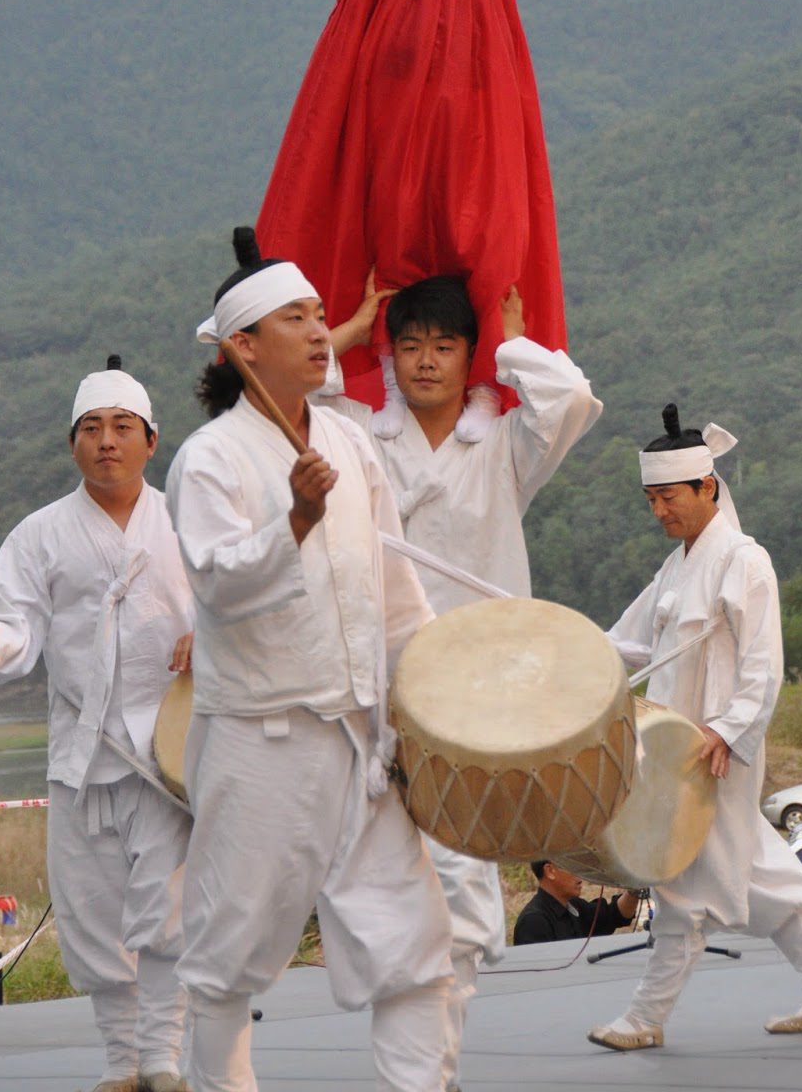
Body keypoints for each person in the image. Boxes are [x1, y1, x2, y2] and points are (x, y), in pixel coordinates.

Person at [165, 228, 454, 1092]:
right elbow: (216, 587)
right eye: (297, 317)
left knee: (411, 941)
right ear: (242, 348)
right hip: (265, 739)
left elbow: (393, 585)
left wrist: (424, 699)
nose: (323, 331)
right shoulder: (208, 458)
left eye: (322, 314)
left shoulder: (351, 443)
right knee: (230, 950)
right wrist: (289, 521)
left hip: (363, 736)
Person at [323, 271, 603, 1090]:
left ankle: (432, 1069)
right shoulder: (361, 440)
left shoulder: (503, 447)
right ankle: (423, 1066)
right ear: (390, 356)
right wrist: (348, 329)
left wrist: (517, 343)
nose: (425, 363)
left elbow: (572, 402)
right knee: (381, 886)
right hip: (385, 690)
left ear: (469, 357)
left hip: (483, 694)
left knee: (466, 890)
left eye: (444, 346)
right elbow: (290, 402)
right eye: (407, 346)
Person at [257, 0, 566, 441]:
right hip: (376, 72)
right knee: (382, 206)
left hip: (468, 66)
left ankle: (486, 380)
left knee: (473, 210)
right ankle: (385, 381)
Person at [587, 405, 802, 1052]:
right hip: (677, 749)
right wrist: (570, 650)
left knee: (679, 878)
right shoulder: (675, 568)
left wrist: (730, 731)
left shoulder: (746, 560)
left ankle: (645, 1017)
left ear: (707, 485)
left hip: (714, 754)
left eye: (669, 497)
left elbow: (765, 667)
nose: (660, 511)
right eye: (650, 499)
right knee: (757, 870)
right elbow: (626, 642)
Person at [0, 357, 194, 1092]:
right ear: (72, 445)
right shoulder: (40, 534)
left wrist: (211, 639)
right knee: (93, 915)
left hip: (168, 750)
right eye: (91, 429)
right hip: (83, 753)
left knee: (169, 910)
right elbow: (14, 620)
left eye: (123, 428)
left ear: (153, 441)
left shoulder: (189, 518)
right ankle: (121, 1061)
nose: (107, 442)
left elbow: (241, 594)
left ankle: (164, 1058)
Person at [513, 862, 639, 945]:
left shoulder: (574, 906)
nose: (580, 876)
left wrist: (635, 890)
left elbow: (614, 915)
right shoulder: (533, 921)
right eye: (573, 867)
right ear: (550, 871)